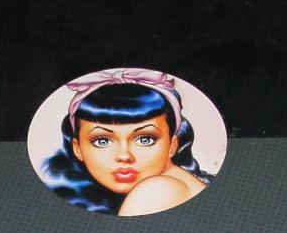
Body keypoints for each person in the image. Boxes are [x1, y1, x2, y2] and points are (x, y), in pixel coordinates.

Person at [42, 69, 211, 216]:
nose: (124, 155)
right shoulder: (174, 184)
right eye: (102, 141)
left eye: (145, 139)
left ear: (172, 146)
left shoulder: (157, 190)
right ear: (77, 149)